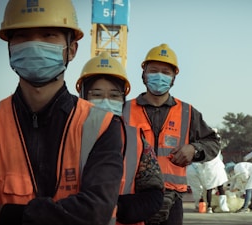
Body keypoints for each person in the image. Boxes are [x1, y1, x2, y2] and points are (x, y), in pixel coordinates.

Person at [0, 1, 124, 225]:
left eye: (48, 35)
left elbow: (95, 210)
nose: (34, 44)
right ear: (10, 48)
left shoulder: (100, 125)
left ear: (71, 50)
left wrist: (6, 215)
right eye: (23, 36)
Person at [123, 43, 220, 225]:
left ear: (174, 77)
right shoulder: (125, 109)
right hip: (132, 197)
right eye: (154, 70)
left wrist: (194, 148)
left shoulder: (187, 112)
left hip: (172, 199)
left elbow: (213, 142)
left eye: (166, 72)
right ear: (143, 74)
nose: (159, 76)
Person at [76, 52, 165, 225]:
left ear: (123, 99)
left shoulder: (137, 140)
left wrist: (114, 208)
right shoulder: (66, 133)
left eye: (114, 96)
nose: (106, 101)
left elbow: (153, 195)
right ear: (83, 96)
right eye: (97, 94)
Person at [200, 129, 230, 213]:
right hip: (217, 168)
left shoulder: (205, 143)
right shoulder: (217, 144)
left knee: (209, 188)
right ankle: (224, 207)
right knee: (220, 188)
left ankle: (209, 208)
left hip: (210, 168)